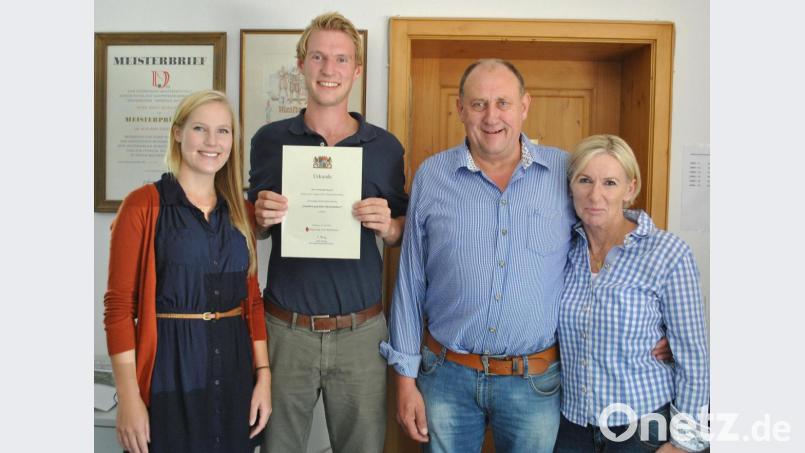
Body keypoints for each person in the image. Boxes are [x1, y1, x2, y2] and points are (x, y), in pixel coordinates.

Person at [380, 58, 574, 453]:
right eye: (479, 103)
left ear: (524, 106)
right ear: (460, 109)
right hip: (445, 375)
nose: (491, 116)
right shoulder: (432, 176)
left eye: (503, 102)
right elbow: (411, 280)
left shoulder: (566, 172)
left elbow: (611, 236)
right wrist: (404, 380)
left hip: (535, 381)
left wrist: (650, 328)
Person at [247, 12, 408, 453]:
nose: (328, 69)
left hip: (361, 333)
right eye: (318, 57)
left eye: (340, 59)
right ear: (301, 63)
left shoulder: (386, 147)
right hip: (285, 331)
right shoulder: (268, 140)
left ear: (357, 70)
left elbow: (402, 233)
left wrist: (389, 225)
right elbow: (253, 233)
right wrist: (259, 218)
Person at [104, 90, 271, 453]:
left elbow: (253, 303)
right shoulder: (143, 206)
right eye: (200, 129)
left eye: (223, 131)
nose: (213, 142)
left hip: (234, 373)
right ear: (178, 133)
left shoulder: (240, 212)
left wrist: (264, 377)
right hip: (169, 374)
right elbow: (118, 310)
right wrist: (129, 398)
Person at [553, 134, 709, 452]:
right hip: (571, 426)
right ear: (571, 186)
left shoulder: (668, 253)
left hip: (641, 428)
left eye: (610, 182)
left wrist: (684, 444)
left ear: (630, 189)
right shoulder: (560, 251)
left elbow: (694, 358)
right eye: (585, 180)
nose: (595, 195)